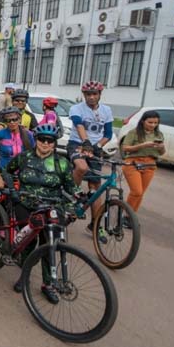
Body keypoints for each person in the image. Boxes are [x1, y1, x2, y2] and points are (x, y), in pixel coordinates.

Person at [3, 124, 81, 302]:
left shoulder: (62, 163)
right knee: (29, 242)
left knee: (49, 244)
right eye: (42, 139)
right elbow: (7, 171)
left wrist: (74, 207)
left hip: (52, 207)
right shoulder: (24, 157)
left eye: (50, 140)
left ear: (54, 143)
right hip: (26, 203)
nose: (45, 143)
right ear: (36, 140)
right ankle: (24, 275)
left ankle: (48, 284)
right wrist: (12, 190)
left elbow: (72, 189)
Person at [67, 81, 113, 237]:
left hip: (95, 148)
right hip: (77, 144)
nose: (91, 97)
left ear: (100, 94)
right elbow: (79, 125)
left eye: (94, 94)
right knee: (81, 167)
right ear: (84, 95)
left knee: (95, 188)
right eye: (88, 94)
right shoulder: (77, 108)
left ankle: (95, 224)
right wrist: (86, 142)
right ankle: (72, 195)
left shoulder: (106, 110)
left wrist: (98, 146)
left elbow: (108, 134)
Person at [120, 110, 164, 213]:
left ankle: (130, 217)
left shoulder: (159, 134)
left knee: (140, 194)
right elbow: (125, 148)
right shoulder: (134, 132)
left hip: (150, 164)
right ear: (143, 121)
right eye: (150, 122)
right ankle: (126, 214)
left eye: (155, 123)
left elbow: (162, 153)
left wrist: (161, 147)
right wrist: (142, 145)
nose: (153, 125)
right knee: (137, 191)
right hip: (133, 163)